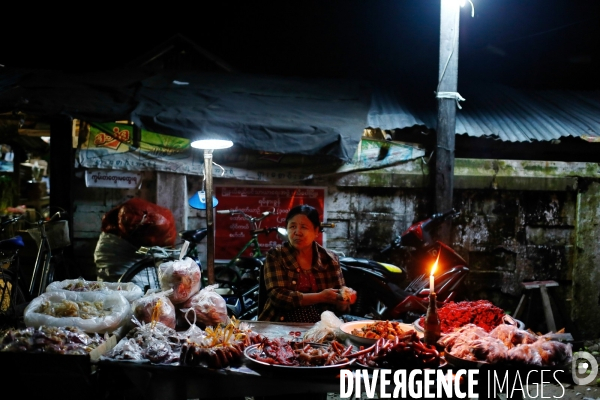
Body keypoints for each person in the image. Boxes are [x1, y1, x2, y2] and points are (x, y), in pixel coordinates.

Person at [258, 204, 357, 323]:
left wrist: (343, 301)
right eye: (292, 226)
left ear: (316, 231)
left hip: (322, 327)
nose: (297, 232)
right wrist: (320, 297)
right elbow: (278, 297)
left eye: (304, 227)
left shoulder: (330, 259)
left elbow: (341, 308)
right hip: (280, 324)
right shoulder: (276, 255)